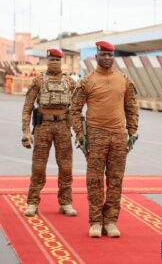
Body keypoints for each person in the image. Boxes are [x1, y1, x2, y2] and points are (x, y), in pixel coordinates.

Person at [71, 41, 139, 238]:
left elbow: (132, 108)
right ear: (97, 56)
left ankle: (110, 221)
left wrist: (132, 132)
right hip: (95, 135)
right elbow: (74, 110)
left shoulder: (124, 80)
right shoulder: (87, 81)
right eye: (104, 55)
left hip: (119, 136)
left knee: (116, 180)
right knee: (94, 180)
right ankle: (95, 221)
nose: (108, 58)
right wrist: (81, 135)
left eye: (111, 55)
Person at [21, 47, 77, 217]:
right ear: (47, 61)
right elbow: (28, 106)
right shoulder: (38, 80)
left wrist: (78, 130)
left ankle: (66, 202)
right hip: (43, 127)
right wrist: (25, 132)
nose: (54, 62)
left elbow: (76, 106)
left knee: (66, 167)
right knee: (38, 167)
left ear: (62, 62)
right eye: (51, 59)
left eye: (57, 60)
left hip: (63, 127)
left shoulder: (70, 82)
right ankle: (32, 202)